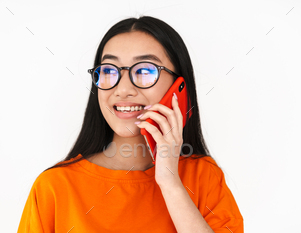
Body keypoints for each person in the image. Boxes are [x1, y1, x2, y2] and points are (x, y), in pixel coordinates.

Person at [17, 16, 243, 232]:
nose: (123, 90)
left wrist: (170, 182)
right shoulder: (54, 187)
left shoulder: (203, 177)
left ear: (178, 86)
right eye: (108, 71)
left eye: (145, 71)